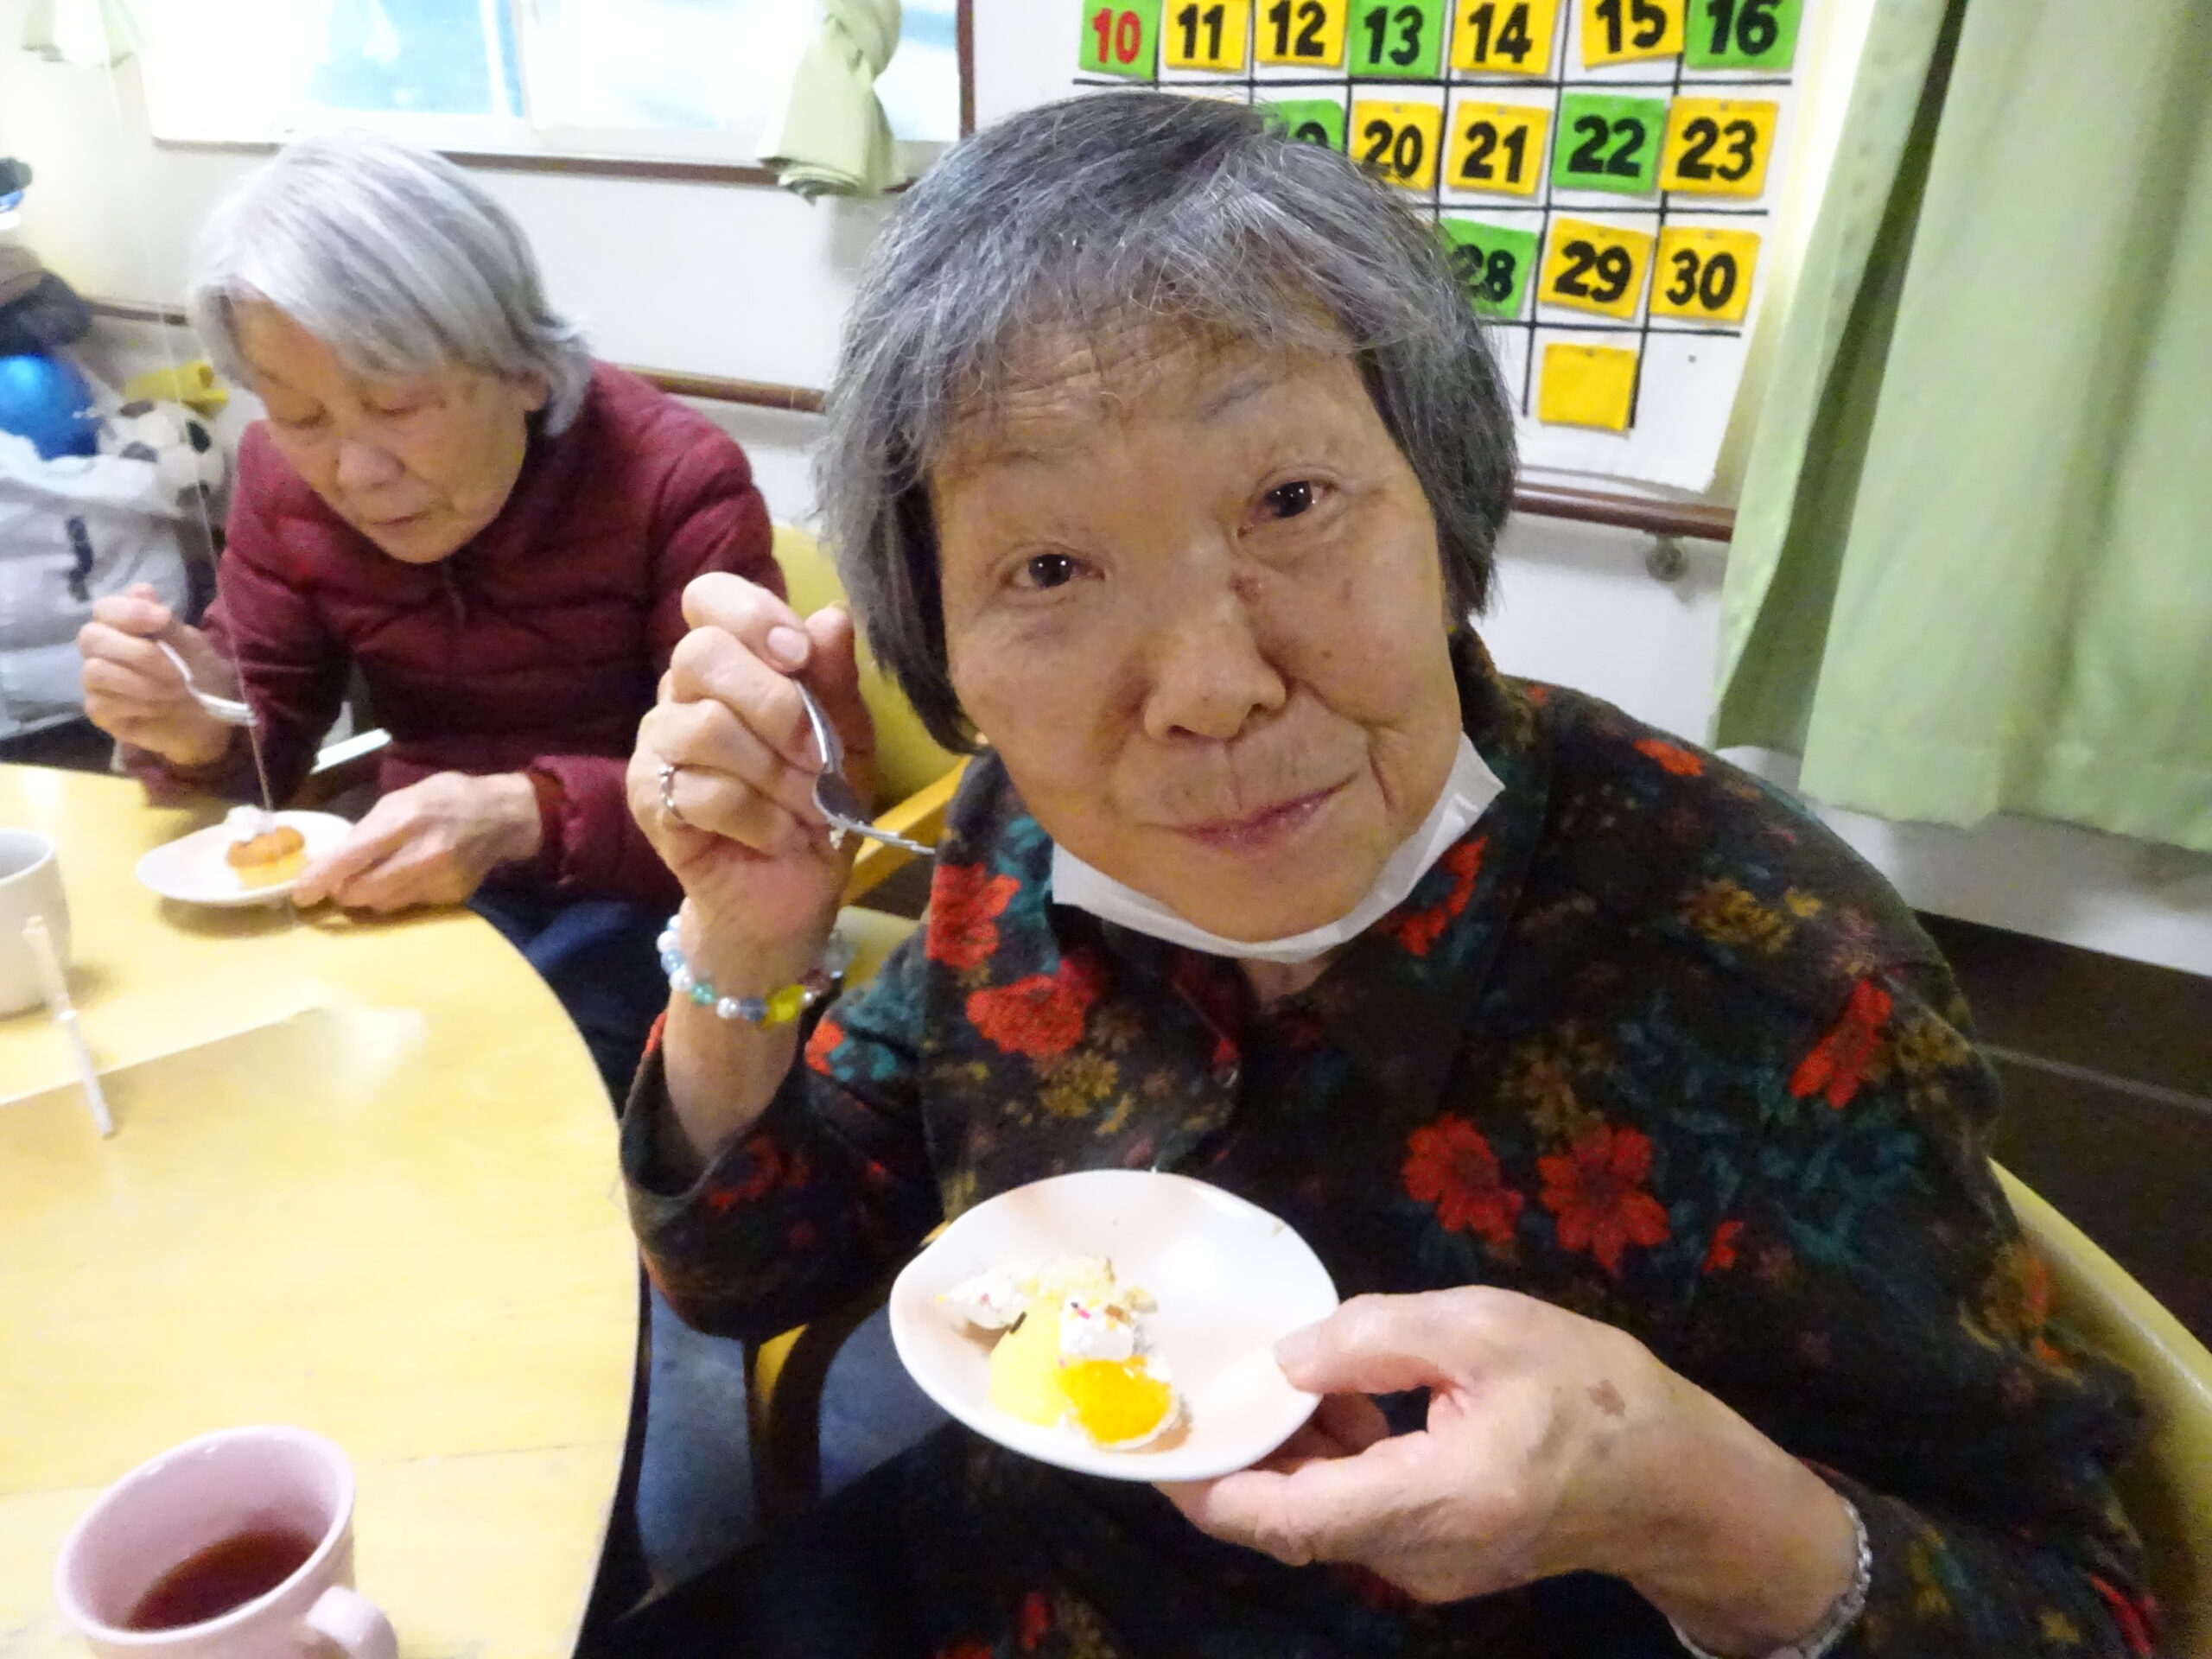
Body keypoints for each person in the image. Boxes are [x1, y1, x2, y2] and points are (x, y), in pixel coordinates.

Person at [601, 93, 2156, 1659]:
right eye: (1049, 569)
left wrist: (1691, 1505)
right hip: (1013, 1581)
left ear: (1441, 505)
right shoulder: (1019, 827)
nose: (1212, 689)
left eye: (1291, 501)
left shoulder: (1775, 985)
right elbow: (749, 1266)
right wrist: (742, 938)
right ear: (943, 648)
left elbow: (2079, 1613)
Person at [75, 132, 779, 1100]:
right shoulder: (284, 482)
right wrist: (195, 721)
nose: (354, 472)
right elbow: (266, 747)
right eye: (302, 416)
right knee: (202, 1048)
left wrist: (525, 814)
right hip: (417, 883)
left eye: (399, 406)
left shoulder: (674, 480)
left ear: (526, 367)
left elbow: (760, 797)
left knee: (509, 1082)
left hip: (644, 894)